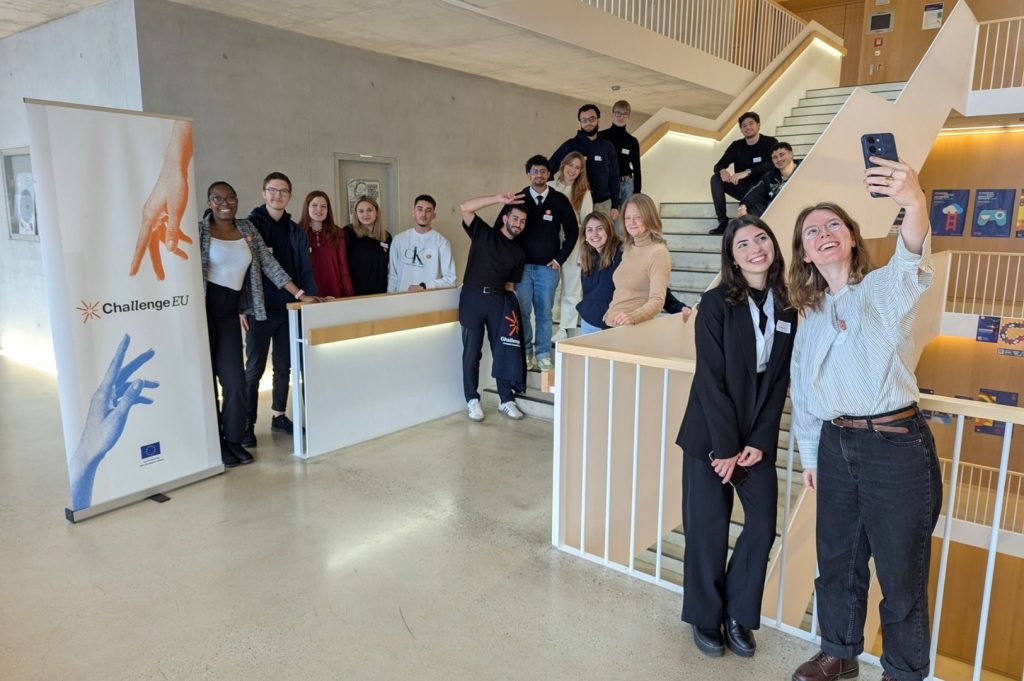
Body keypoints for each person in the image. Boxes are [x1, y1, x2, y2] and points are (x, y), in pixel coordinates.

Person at [788, 158, 941, 681]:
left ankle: (902, 672)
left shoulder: (880, 290)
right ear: (805, 253)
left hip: (894, 447)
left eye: (834, 225)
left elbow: (910, 257)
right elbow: (804, 394)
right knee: (837, 561)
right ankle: (839, 651)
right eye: (813, 231)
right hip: (835, 446)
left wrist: (913, 202)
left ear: (851, 239)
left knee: (900, 576)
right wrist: (812, 457)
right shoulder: (808, 315)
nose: (824, 234)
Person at [675, 216, 796, 659]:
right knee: (708, 529)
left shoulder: (787, 306)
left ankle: (738, 614)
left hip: (754, 439)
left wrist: (759, 440)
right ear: (732, 256)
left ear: (773, 245)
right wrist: (724, 450)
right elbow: (710, 379)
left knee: (762, 527)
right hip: (710, 434)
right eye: (742, 244)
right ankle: (706, 616)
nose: (754, 249)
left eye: (761, 238)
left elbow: (779, 380)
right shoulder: (714, 304)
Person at [202, 181, 318, 466]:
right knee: (206, 382)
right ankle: (214, 442)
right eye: (217, 198)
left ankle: (233, 439)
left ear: (238, 200)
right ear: (209, 201)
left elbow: (269, 264)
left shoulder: (246, 229)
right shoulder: (199, 231)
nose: (224, 202)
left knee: (235, 381)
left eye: (230, 197)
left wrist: (301, 294)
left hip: (230, 313)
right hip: (202, 313)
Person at [242, 172, 318, 448]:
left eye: (283, 191)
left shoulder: (294, 230)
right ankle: (247, 424)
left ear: (290, 196)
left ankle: (278, 415)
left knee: (284, 366)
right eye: (272, 190)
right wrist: (243, 307)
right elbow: (242, 269)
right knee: (254, 369)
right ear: (264, 193)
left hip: (288, 308)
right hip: (259, 310)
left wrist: (307, 299)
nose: (277, 195)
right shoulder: (250, 226)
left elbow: (304, 269)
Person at [458, 192, 528, 423]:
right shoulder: (483, 233)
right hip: (472, 298)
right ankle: (472, 399)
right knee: (472, 352)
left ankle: (506, 400)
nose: (518, 224)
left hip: (499, 301)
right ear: (505, 218)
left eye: (522, 221)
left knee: (503, 351)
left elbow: (510, 284)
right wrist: (498, 199)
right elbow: (465, 207)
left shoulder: (518, 253)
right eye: (515, 218)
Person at [510, 155, 579, 371]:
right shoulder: (518, 199)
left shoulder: (559, 200)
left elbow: (573, 232)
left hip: (547, 270)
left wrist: (560, 259)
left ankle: (542, 354)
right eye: (534, 171)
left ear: (549, 174)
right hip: (521, 270)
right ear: (528, 174)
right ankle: (526, 353)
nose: (539, 175)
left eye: (542, 171)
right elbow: (505, 230)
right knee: (521, 314)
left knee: (544, 314)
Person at [577, 211, 692, 334]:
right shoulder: (588, 256)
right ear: (585, 236)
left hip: (613, 325)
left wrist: (678, 307)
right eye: (589, 230)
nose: (594, 234)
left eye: (600, 228)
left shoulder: (624, 252)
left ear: (609, 230)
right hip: (588, 323)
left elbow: (650, 283)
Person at [603, 193, 671, 327]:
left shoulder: (658, 253)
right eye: (627, 218)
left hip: (633, 328)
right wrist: (609, 313)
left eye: (637, 217)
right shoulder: (628, 248)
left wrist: (632, 317)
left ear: (649, 218)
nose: (631, 223)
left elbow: (657, 300)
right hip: (611, 325)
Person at [709, 112, 777, 235]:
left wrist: (747, 172)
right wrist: (722, 170)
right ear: (741, 129)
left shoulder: (770, 142)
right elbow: (718, 165)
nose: (748, 127)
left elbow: (771, 164)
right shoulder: (736, 146)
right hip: (743, 189)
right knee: (715, 178)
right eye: (744, 125)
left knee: (767, 174)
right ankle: (723, 222)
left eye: (751, 124)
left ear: (758, 125)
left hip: (762, 191)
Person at [550, 104, 621, 219]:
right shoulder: (571, 145)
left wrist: (615, 204)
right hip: (577, 202)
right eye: (584, 120)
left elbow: (614, 176)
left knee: (603, 236)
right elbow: (550, 167)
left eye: (591, 119)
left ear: (598, 120)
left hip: (603, 204)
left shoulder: (608, 147)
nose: (588, 123)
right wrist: (554, 192)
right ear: (580, 122)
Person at [550, 152, 592, 340]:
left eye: (578, 167)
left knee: (572, 288)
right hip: (550, 242)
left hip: (574, 243)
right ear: (563, 165)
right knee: (550, 287)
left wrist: (584, 252)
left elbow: (587, 224)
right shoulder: (550, 187)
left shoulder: (584, 193)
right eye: (571, 165)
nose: (573, 170)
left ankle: (565, 328)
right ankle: (546, 325)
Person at [387, 194, 457, 293]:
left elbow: (451, 280)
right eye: (420, 209)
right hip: (400, 300)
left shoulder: (442, 243)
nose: (423, 214)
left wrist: (425, 286)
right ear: (413, 213)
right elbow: (392, 275)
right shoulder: (399, 240)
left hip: (428, 301)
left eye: (428, 211)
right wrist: (390, 298)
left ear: (434, 215)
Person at [298, 191, 354, 299]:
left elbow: (343, 266)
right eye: (314, 205)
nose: (319, 209)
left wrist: (349, 295)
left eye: (323, 206)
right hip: (308, 295)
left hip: (335, 292)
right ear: (307, 207)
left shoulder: (337, 232)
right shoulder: (297, 232)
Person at [737, 142, 801, 218]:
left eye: (782, 155)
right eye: (775, 157)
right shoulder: (769, 177)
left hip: (798, 211)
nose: (779, 159)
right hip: (775, 214)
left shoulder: (804, 169)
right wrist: (742, 206)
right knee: (749, 209)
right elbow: (754, 193)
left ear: (791, 154)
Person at [344, 195, 393, 295]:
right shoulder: (348, 233)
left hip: (381, 293)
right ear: (356, 214)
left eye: (369, 210)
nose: (365, 214)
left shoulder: (386, 236)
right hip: (356, 295)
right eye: (361, 211)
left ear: (377, 212)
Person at [599, 99, 642, 207]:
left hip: (626, 185)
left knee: (625, 218)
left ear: (628, 117)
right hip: (607, 184)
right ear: (612, 115)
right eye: (618, 113)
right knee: (607, 218)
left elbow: (637, 168)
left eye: (625, 114)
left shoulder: (632, 141)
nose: (621, 117)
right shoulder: (601, 137)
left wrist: (637, 192)